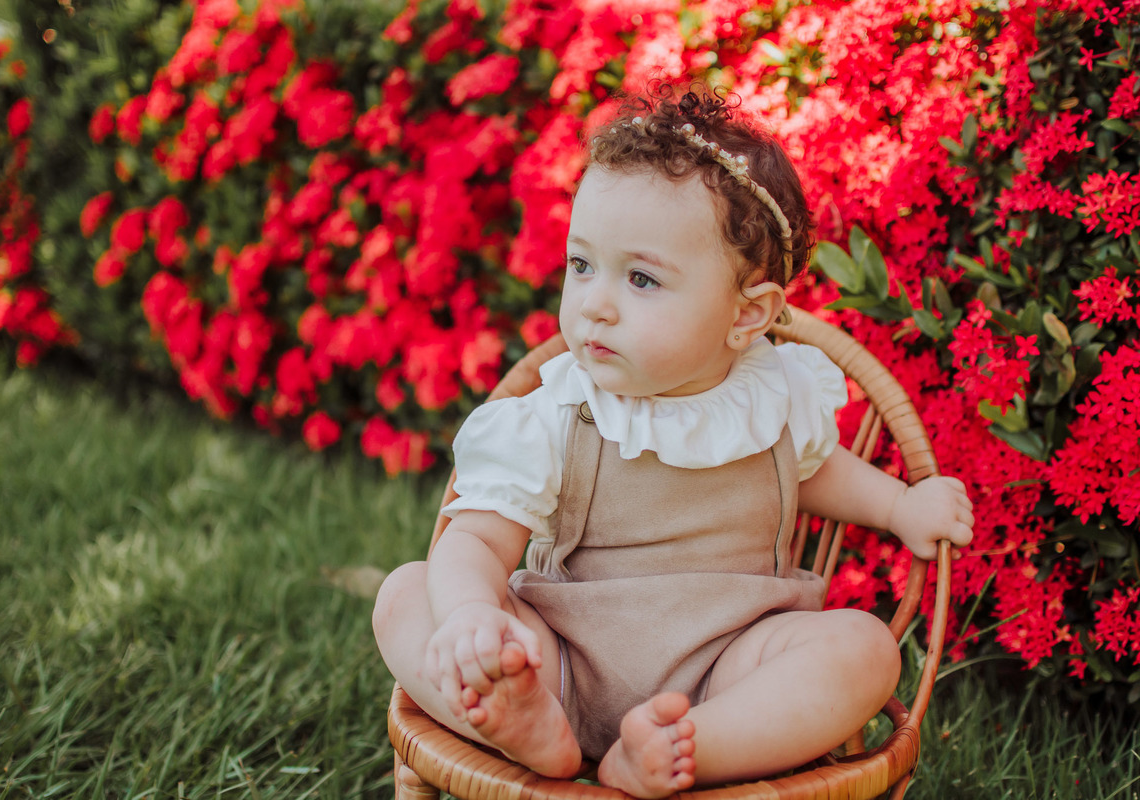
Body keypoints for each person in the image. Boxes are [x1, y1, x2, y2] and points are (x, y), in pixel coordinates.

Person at [373, 85, 974, 799]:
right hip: (560, 658)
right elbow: (473, 538)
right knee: (407, 595)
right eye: (581, 265)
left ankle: (691, 747)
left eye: (641, 278)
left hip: (731, 665)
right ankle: (527, 721)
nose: (594, 301)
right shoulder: (558, 412)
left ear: (747, 315)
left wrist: (902, 508)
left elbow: (812, 472)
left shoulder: (777, 397)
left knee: (865, 649)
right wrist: (477, 620)